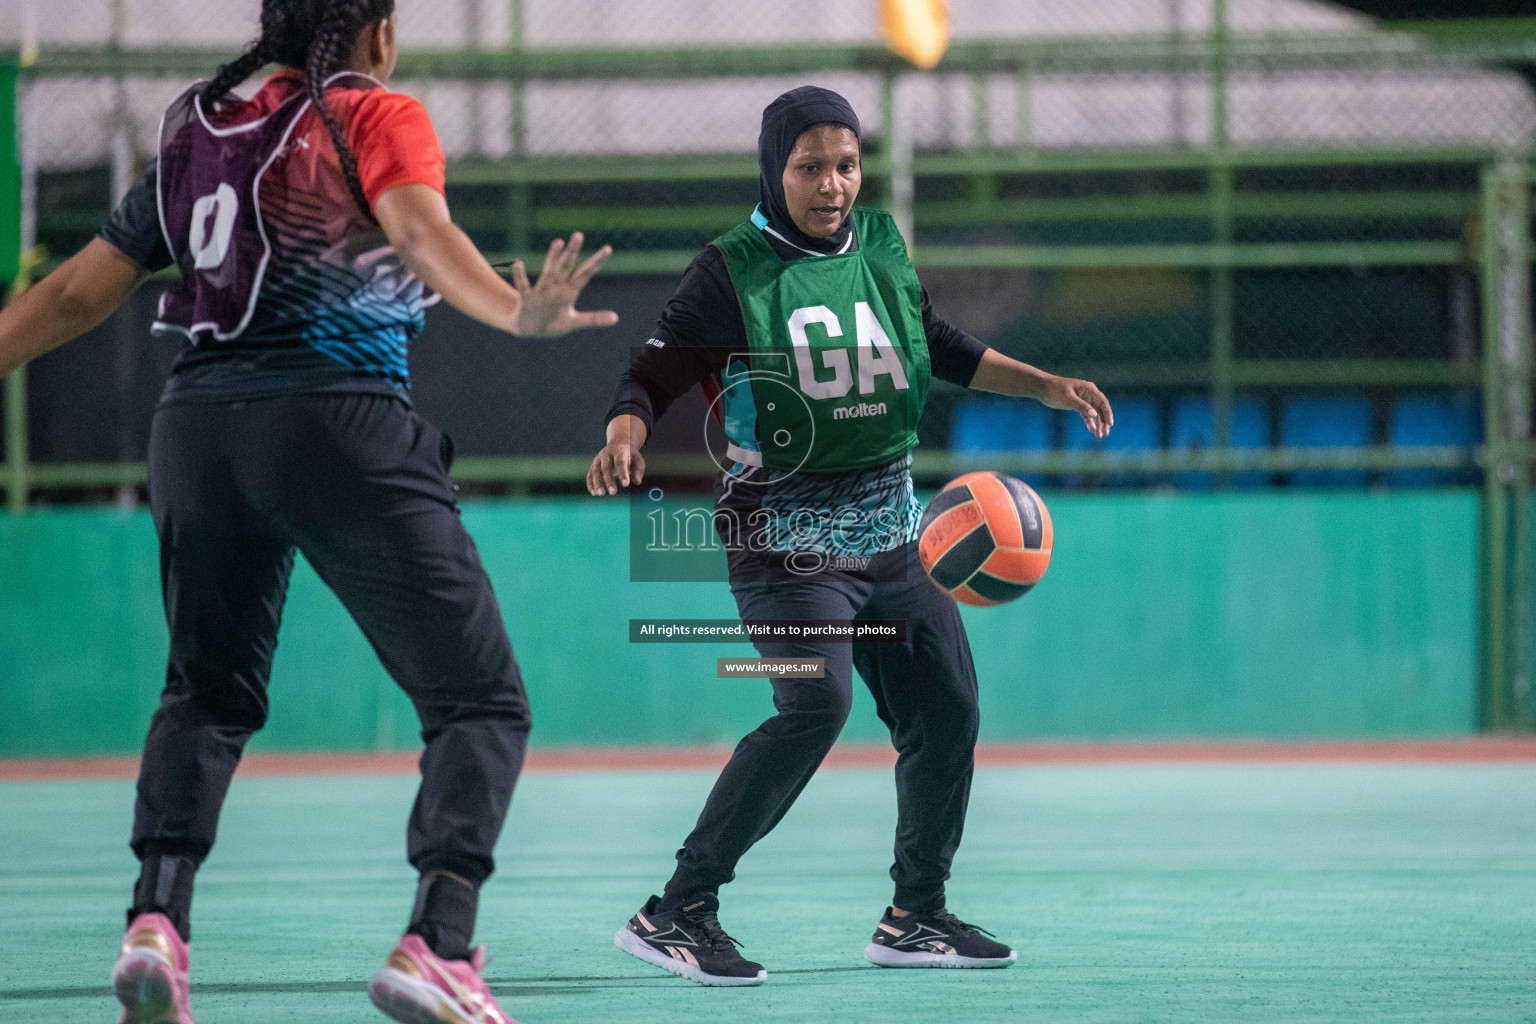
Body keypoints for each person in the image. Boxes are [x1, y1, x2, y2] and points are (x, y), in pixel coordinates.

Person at [0, 2, 618, 1022]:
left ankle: (156, 920)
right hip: (336, 421)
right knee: (480, 701)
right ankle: (441, 941)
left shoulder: (195, 127)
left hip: (194, 429)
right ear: (374, 32)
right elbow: (421, 228)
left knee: (205, 692)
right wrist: (517, 310)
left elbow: (74, 292)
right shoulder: (373, 113)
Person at [587, 86, 1113, 986]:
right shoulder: (732, 269)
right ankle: (675, 911)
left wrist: (1046, 384)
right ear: (773, 168)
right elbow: (654, 370)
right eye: (809, 167)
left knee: (947, 707)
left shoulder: (879, 243)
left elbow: (935, 342)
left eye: (846, 164)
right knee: (814, 707)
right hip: (784, 539)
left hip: (891, 531)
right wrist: (623, 432)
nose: (832, 185)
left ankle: (917, 916)